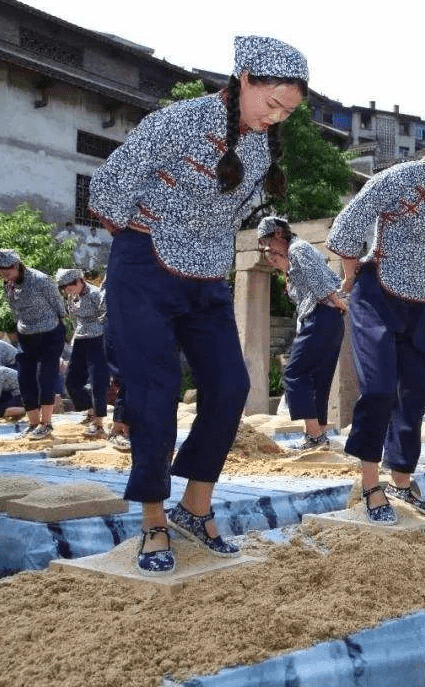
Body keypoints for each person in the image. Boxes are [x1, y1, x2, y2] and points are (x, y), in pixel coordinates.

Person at [90, 35, 308, 574]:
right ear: (244, 81)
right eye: (272, 103)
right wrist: (141, 231)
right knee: (155, 389)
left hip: (208, 275)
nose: (275, 117)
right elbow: (110, 185)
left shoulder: (259, 146)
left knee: (231, 385)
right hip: (146, 264)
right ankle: (152, 521)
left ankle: (195, 507)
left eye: (287, 111)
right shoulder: (180, 121)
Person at [326, 118, 425, 524]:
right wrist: (350, 276)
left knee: (413, 396)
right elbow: (349, 224)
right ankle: (369, 485)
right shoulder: (400, 178)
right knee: (379, 389)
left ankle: (402, 481)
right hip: (377, 294)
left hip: (420, 301)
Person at [257, 216, 347, 449]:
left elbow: (322, 283)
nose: (268, 251)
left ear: (278, 234)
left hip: (321, 315)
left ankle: (315, 435)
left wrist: (338, 301)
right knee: (319, 377)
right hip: (329, 318)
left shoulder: (297, 249)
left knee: (294, 372)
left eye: (268, 243)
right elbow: (324, 279)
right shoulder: (298, 252)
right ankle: (318, 437)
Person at [0, 248, 66, 440]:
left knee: (46, 376)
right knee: (25, 377)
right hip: (26, 334)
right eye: (0, 273)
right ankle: (33, 423)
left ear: (16, 265)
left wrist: (58, 325)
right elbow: (13, 307)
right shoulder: (9, 284)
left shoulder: (40, 280)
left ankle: (46, 423)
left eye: (6, 272)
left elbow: (59, 305)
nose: (4, 276)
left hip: (49, 332)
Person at [56, 268, 109, 438]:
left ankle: (99, 422)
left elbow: (106, 317)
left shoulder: (95, 294)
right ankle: (91, 410)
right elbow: (73, 319)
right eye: (64, 286)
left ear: (80, 281)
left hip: (97, 338)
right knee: (72, 380)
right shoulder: (72, 297)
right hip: (80, 338)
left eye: (71, 284)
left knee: (97, 380)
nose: (68, 289)